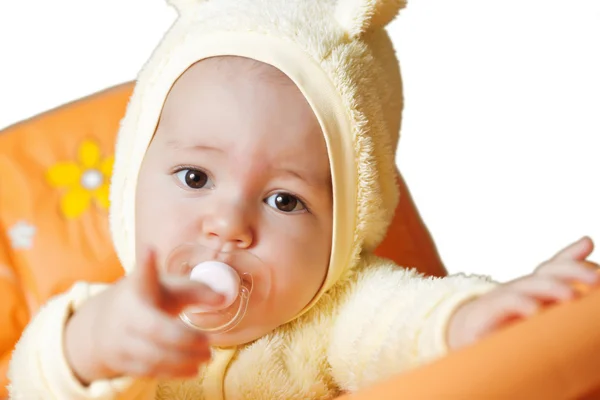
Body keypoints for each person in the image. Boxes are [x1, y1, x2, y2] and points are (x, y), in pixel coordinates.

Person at [7, 0, 598, 398]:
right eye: (194, 178)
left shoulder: (335, 316)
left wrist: (474, 320)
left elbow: (408, 324)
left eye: (285, 201)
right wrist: (91, 345)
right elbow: (36, 381)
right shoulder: (121, 322)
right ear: (131, 182)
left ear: (342, 234)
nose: (228, 224)